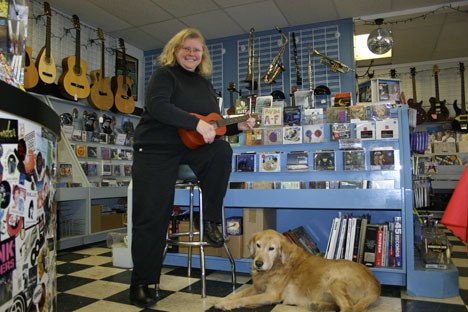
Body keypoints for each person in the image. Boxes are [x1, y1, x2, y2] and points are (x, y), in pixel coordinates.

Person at [130, 28, 256, 308]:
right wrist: (193, 123)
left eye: (196, 50)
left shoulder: (204, 84)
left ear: (202, 55)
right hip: (155, 149)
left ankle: (210, 221)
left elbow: (211, 124)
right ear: (174, 51)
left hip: (189, 149)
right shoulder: (165, 74)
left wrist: (237, 126)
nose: (191, 53)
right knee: (152, 216)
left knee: (222, 150)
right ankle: (142, 281)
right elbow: (157, 105)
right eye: (185, 48)